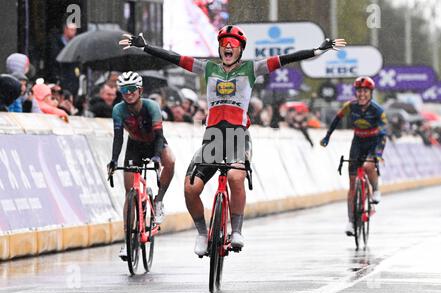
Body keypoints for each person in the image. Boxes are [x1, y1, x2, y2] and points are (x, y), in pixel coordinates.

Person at [120, 26, 346, 256]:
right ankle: (201, 233)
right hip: (213, 137)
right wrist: (146, 47)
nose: (228, 46)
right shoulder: (208, 67)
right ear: (219, 48)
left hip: (238, 135)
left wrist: (317, 51)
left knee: (236, 176)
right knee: (190, 188)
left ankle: (236, 230)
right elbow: (177, 58)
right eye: (224, 43)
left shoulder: (252, 68)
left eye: (233, 44)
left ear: (241, 49)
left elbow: (285, 59)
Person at [107, 71, 175, 261]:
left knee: (170, 161)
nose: (128, 93)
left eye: (132, 90)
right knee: (130, 196)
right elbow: (119, 137)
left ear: (140, 90)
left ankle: (159, 200)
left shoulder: (152, 106)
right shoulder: (118, 110)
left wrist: (156, 156)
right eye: (124, 90)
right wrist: (113, 160)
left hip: (155, 143)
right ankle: (128, 241)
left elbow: (160, 135)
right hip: (134, 146)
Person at [320, 77, 387, 236]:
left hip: (373, 142)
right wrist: (327, 136)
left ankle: (376, 190)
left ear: (370, 93)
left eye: (365, 91)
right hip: (357, 142)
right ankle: (351, 222)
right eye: (359, 91)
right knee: (351, 185)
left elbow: (384, 133)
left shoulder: (378, 110)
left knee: (368, 165)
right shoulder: (350, 106)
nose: (362, 94)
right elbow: (336, 119)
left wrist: (378, 154)